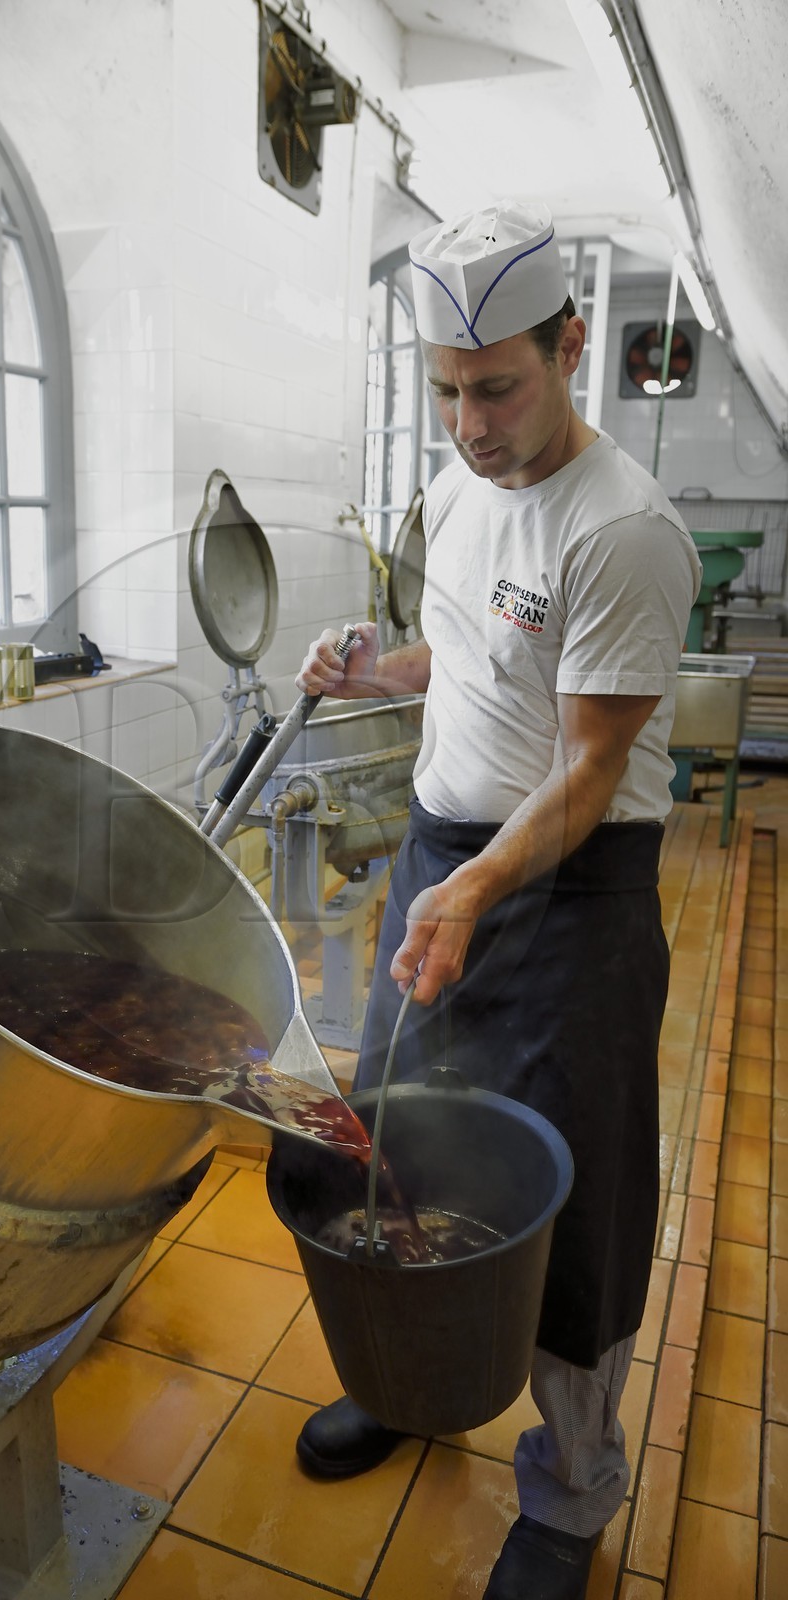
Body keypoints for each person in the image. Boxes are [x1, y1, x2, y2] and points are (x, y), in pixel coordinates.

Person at [293, 199, 702, 1600]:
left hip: (572, 903)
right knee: (386, 1142)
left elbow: (589, 771)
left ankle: (574, 1494)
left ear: (572, 345)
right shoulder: (462, 491)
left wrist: (471, 886)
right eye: (448, 388)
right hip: (442, 862)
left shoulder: (625, 532)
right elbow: (462, 662)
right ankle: (411, 1388)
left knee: (567, 1204)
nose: (470, 421)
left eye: (500, 386)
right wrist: (373, 668)